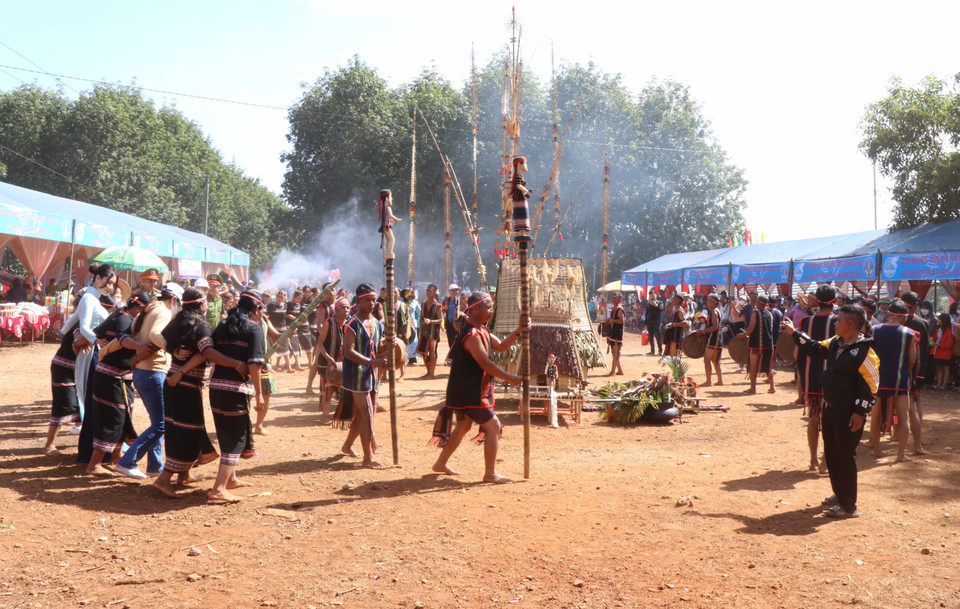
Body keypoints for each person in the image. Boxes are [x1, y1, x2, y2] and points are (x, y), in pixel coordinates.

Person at [782, 304, 879, 518]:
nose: (835, 323)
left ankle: (848, 506)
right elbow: (815, 348)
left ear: (851, 324)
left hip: (848, 412)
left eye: (839, 320)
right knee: (833, 455)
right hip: (831, 408)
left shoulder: (865, 352)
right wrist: (794, 333)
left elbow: (871, 387)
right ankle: (839, 494)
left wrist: (860, 413)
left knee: (845, 456)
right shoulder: (836, 343)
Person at [152, 287, 248, 498]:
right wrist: (236, 363)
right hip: (184, 382)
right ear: (201, 304)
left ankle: (183, 475)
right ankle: (163, 479)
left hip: (174, 380)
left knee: (181, 427)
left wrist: (173, 351)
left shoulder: (178, 320)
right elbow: (207, 352)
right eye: (205, 302)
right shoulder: (202, 325)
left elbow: (162, 339)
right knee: (186, 429)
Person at [430, 291, 524, 483]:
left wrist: (518, 331)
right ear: (475, 309)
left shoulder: (482, 330)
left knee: (463, 426)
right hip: (469, 392)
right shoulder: (472, 334)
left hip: (468, 389)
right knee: (494, 426)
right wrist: (510, 378)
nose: (491, 311)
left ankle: (440, 463)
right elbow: (485, 364)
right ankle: (490, 473)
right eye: (488, 307)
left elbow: (501, 346)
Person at [115, 283, 182, 479]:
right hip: (154, 371)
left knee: (157, 422)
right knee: (161, 424)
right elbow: (154, 334)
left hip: (143, 372)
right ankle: (127, 461)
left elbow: (134, 331)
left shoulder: (148, 310)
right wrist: (173, 350)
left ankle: (155, 465)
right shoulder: (162, 312)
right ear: (174, 299)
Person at [207, 289, 266, 503]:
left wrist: (233, 363)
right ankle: (219, 488)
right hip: (236, 391)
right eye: (261, 309)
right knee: (237, 437)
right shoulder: (254, 328)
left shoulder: (223, 325)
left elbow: (209, 353)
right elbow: (254, 365)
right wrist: (259, 394)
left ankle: (230, 479)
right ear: (256, 309)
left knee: (226, 432)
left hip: (216, 388)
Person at [86, 292, 151, 476]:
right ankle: (94, 465)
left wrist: (99, 342)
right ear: (139, 308)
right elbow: (123, 339)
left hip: (116, 378)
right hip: (111, 378)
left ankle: (116, 456)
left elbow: (97, 333)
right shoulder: (124, 319)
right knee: (114, 418)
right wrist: (139, 347)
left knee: (122, 417)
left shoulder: (119, 314)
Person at [333, 283, 387, 469]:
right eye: (368, 300)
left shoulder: (378, 324)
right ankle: (367, 458)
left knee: (364, 414)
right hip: (356, 377)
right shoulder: (352, 324)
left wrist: (389, 344)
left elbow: (378, 349)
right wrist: (373, 362)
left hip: (371, 376)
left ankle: (347, 446)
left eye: (374, 300)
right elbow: (348, 352)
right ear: (359, 301)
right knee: (366, 413)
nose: (372, 303)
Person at [72, 263, 118, 463]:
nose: (110, 287)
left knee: (97, 403)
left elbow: (72, 327)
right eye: (109, 283)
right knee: (95, 403)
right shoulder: (89, 298)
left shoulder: (93, 298)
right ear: (98, 278)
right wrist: (95, 340)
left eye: (113, 285)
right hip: (93, 355)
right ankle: (88, 452)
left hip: (96, 354)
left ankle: (94, 451)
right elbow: (81, 327)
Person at [795, 285, 839, 472]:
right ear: (835, 300)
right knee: (831, 422)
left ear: (816, 300)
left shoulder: (805, 323)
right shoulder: (840, 321)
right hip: (834, 377)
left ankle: (813, 460)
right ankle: (826, 462)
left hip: (811, 374)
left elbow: (798, 352)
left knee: (813, 418)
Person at [870, 300, 918, 462]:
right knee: (903, 417)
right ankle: (900, 454)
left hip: (878, 378)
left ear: (889, 314)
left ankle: (877, 449)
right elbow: (912, 361)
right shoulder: (909, 333)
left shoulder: (874, 330)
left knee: (875, 414)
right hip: (899, 377)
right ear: (904, 317)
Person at [900, 291, 929, 455]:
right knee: (913, 405)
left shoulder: (899, 323)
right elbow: (924, 350)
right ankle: (915, 443)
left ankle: (916, 444)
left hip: (904, 369)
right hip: (916, 369)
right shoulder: (922, 322)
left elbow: (922, 351)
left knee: (910, 407)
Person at [317, 297, 348, 418]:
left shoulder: (349, 323)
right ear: (337, 310)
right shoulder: (328, 323)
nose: (346, 310)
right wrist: (329, 358)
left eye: (348, 308)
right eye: (343, 307)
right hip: (327, 361)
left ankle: (342, 413)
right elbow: (319, 343)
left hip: (343, 361)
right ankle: (325, 415)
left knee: (344, 387)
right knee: (328, 388)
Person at [306, 283, 336, 395]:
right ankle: (309, 386)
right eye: (330, 290)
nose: (333, 292)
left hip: (333, 339)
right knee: (317, 362)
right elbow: (319, 326)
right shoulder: (322, 307)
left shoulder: (335, 305)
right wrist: (326, 336)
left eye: (334, 289)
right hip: (323, 340)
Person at [745, 295, 775, 394]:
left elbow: (751, 328)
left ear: (758, 302)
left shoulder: (755, 312)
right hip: (769, 344)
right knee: (768, 367)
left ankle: (753, 388)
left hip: (756, 345)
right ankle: (772, 387)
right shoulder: (770, 314)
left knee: (753, 365)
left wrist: (743, 334)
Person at [416, 284, 443, 379]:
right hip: (424, 331)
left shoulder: (438, 306)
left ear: (435, 292)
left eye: (430, 290)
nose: (428, 292)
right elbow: (421, 317)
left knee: (432, 352)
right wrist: (422, 324)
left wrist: (430, 321)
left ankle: (432, 373)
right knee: (423, 352)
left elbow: (440, 319)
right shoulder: (423, 304)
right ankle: (428, 372)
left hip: (433, 331)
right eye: (427, 290)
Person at [703, 293, 724, 387]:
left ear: (713, 302)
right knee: (716, 361)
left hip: (713, 338)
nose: (707, 302)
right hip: (717, 338)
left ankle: (708, 381)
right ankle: (720, 380)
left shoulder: (714, 312)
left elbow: (715, 326)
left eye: (708, 300)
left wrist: (704, 331)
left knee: (707, 360)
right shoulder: (717, 311)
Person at [931, 313, 955, 390]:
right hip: (938, 351)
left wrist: (939, 344)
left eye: (939, 319)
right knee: (939, 368)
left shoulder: (948, 331)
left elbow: (949, 344)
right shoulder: (938, 328)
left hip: (945, 353)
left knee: (945, 368)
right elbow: (935, 337)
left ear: (943, 321)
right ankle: (938, 384)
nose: (938, 320)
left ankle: (944, 384)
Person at [662, 293, 686, 358]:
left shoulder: (680, 311)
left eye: (674, 299)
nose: (672, 300)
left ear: (678, 301)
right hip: (673, 335)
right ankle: (676, 368)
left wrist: (673, 324)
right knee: (672, 356)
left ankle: (677, 368)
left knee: (674, 356)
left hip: (677, 336)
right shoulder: (675, 310)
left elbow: (685, 323)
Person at [607, 292, 625, 375]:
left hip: (617, 333)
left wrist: (612, 320)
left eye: (615, 298)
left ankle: (612, 371)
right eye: (613, 298)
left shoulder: (619, 309)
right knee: (614, 352)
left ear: (619, 299)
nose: (613, 299)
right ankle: (620, 371)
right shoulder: (615, 308)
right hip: (613, 332)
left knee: (615, 352)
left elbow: (622, 321)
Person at [443, 284, 460, 351]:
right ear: (449, 291)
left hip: (456, 323)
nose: (455, 292)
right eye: (453, 290)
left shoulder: (459, 301)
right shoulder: (446, 301)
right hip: (448, 323)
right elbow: (444, 311)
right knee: (450, 339)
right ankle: (451, 355)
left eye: (456, 290)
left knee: (456, 339)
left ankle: (455, 355)